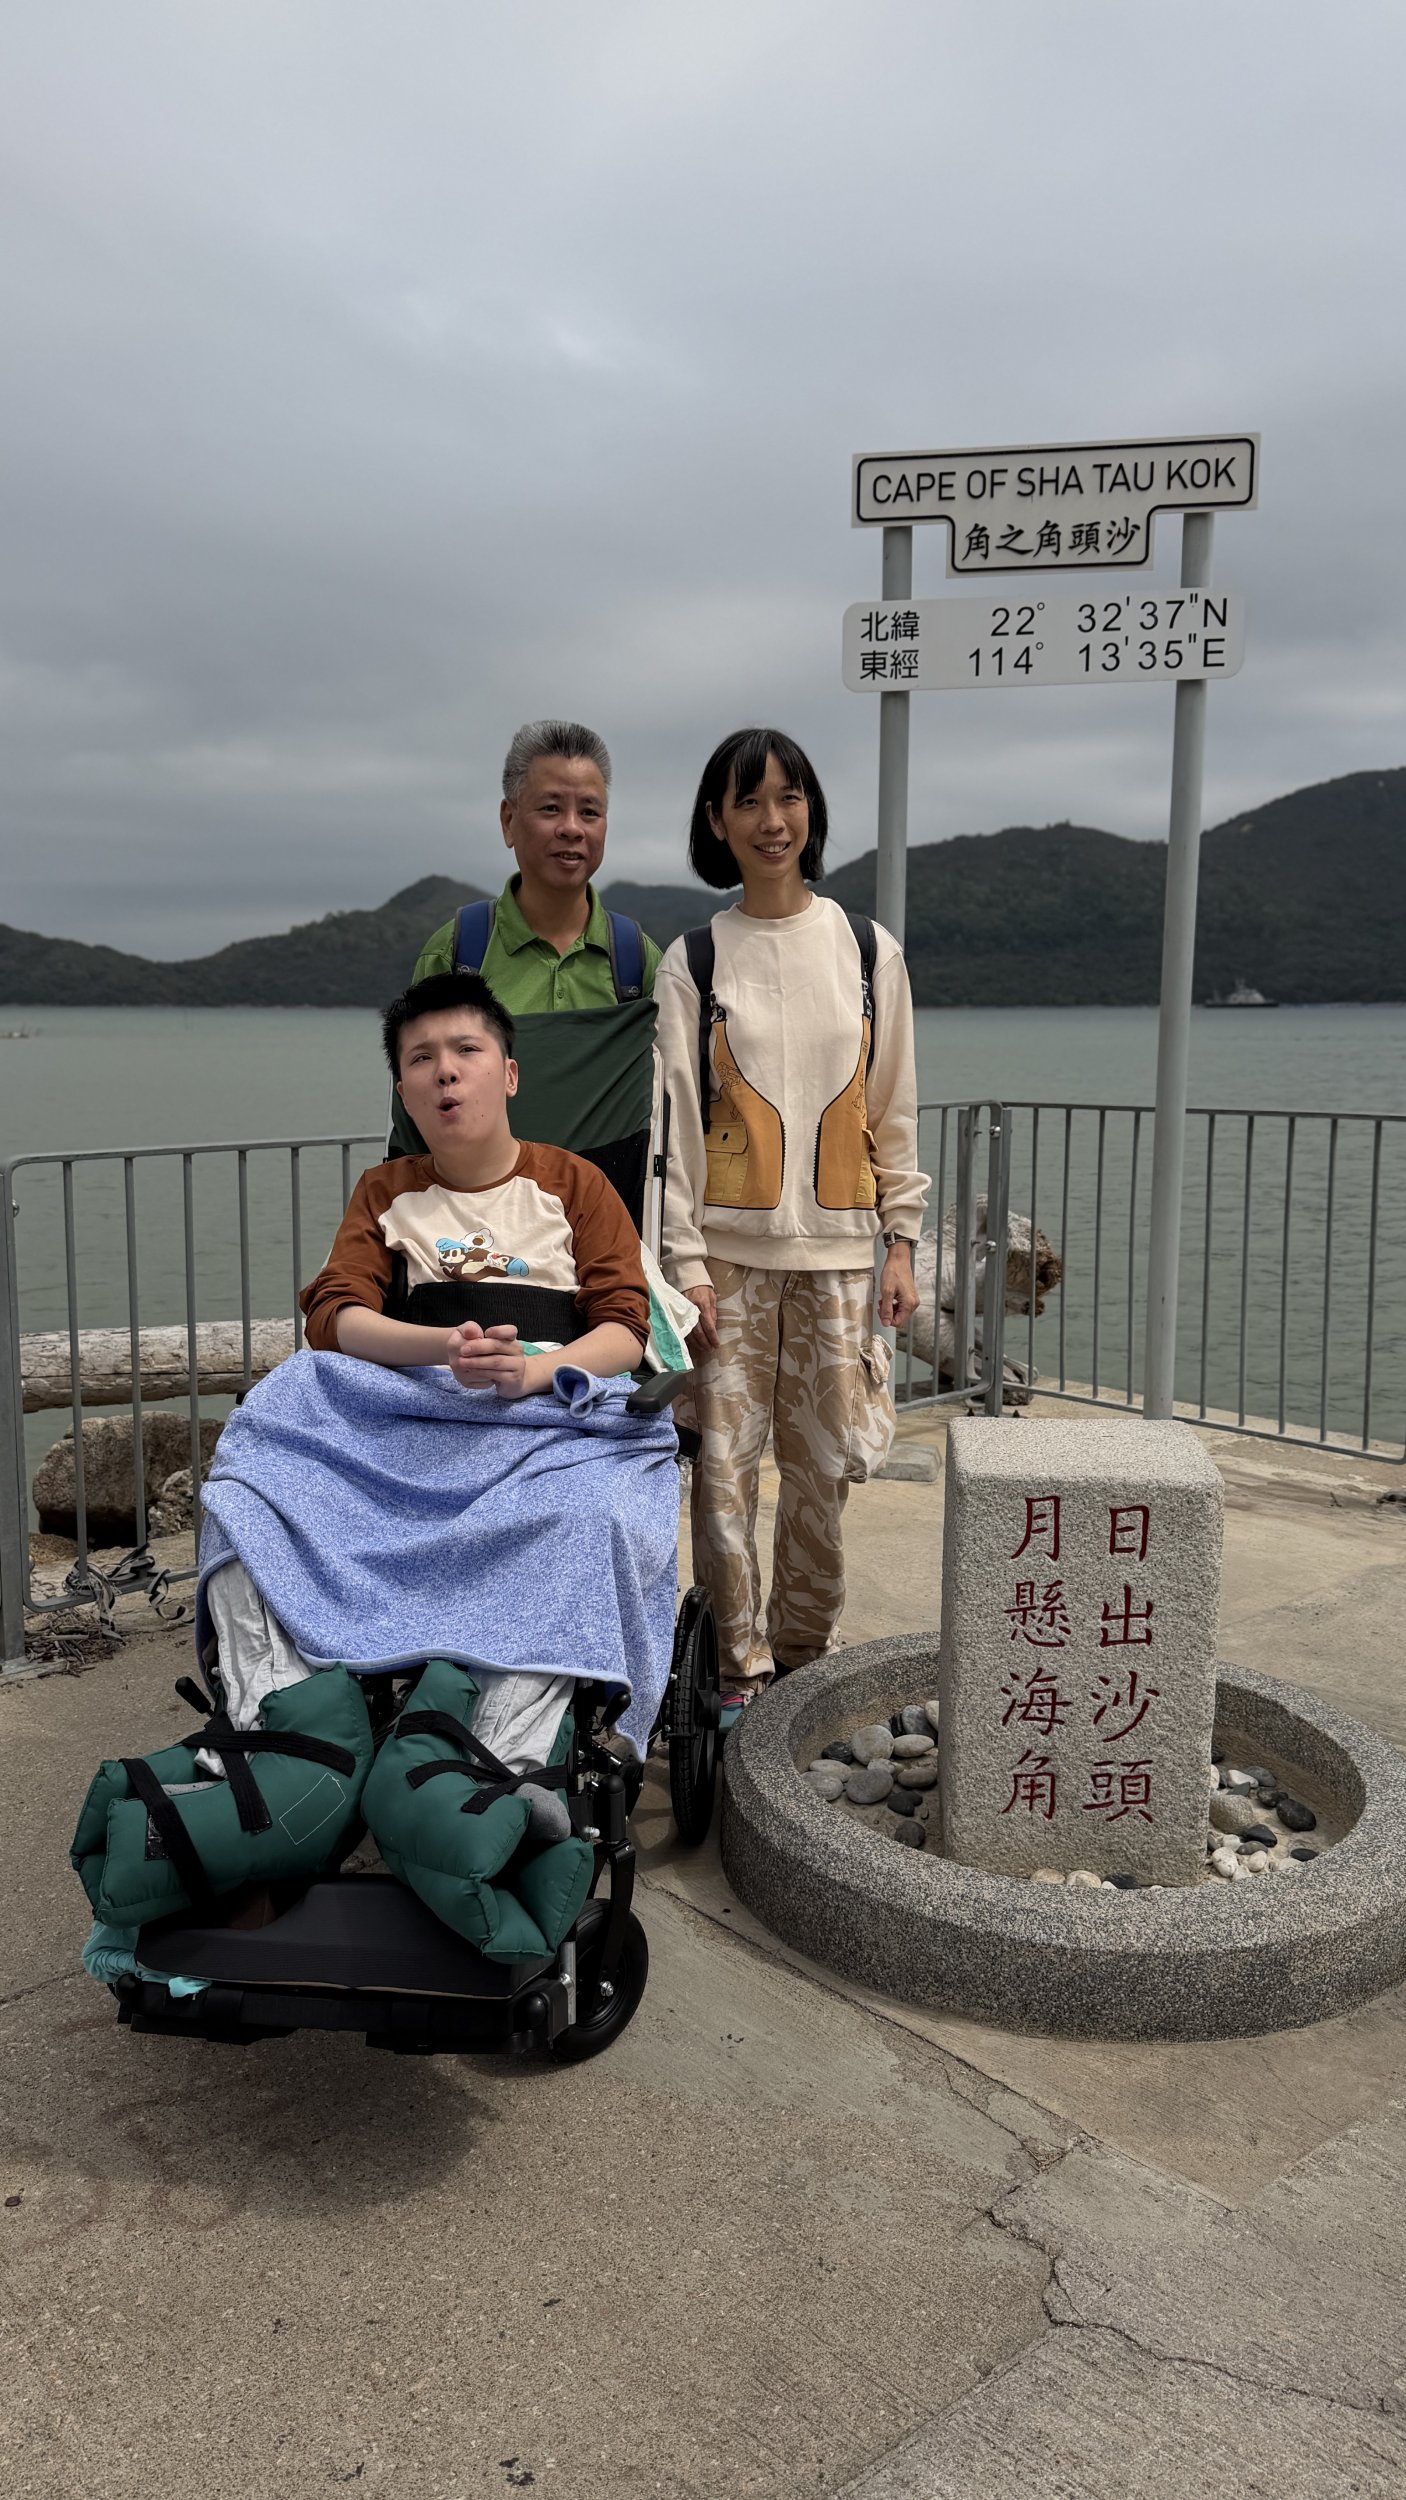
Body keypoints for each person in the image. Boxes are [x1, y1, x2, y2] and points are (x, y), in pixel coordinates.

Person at [654, 727, 928, 1718]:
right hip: (725, 1263)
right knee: (723, 1481)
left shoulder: (867, 950)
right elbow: (675, 1132)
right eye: (749, 802)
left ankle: (807, 1658)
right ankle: (737, 1668)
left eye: (789, 797)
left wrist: (901, 1242)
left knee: (823, 1476)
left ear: (810, 810)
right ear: (716, 821)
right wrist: (683, 1266)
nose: (772, 821)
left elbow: (891, 1109)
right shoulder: (694, 959)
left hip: (842, 1257)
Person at [311, 967, 648, 1394]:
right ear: (405, 1097)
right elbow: (333, 1319)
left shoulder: (577, 1183)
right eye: (421, 1058)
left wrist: (530, 1373)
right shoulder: (384, 1191)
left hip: (552, 1401)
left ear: (510, 1076)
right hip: (423, 1402)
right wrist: (450, 1346)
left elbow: (625, 1330)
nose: (445, 1072)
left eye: (467, 1049)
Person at [395, 722, 663, 1220]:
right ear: (508, 820)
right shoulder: (457, 954)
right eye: (550, 808)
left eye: (590, 811)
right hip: (476, 1237)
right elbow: (414, 1120)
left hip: (606, 1237)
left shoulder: (637, 960)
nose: (572, 828)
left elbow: (674, 1114)